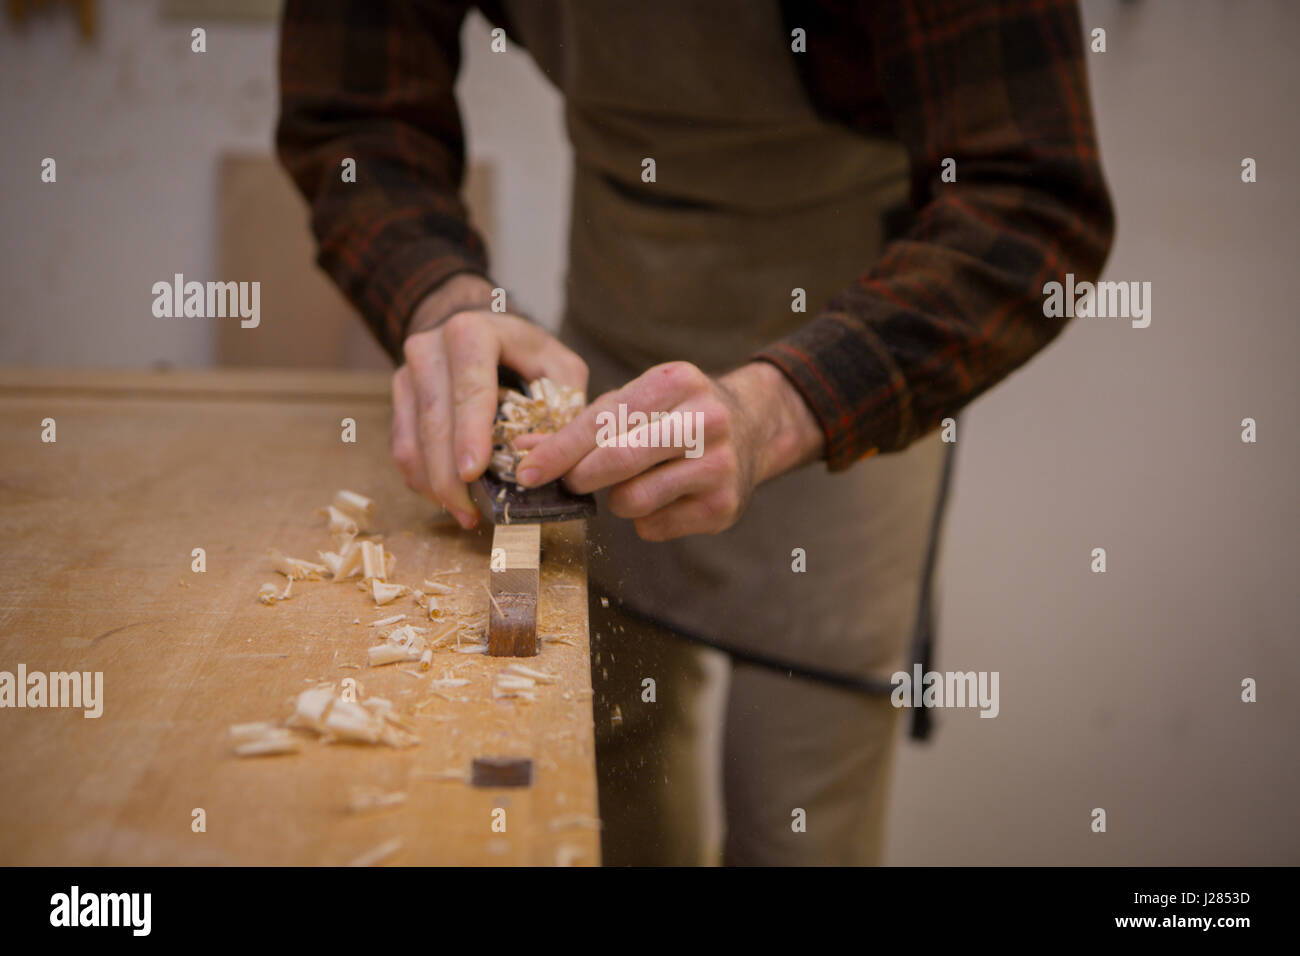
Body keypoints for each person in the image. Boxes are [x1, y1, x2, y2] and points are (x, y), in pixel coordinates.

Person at [277, 0, 1114, 865]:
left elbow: (1032, 199)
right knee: (611, 764)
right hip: (622, 304)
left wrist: (775, 410)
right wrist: (441, 294)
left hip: (851, 356)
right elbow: (354, 110)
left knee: (799, 813)